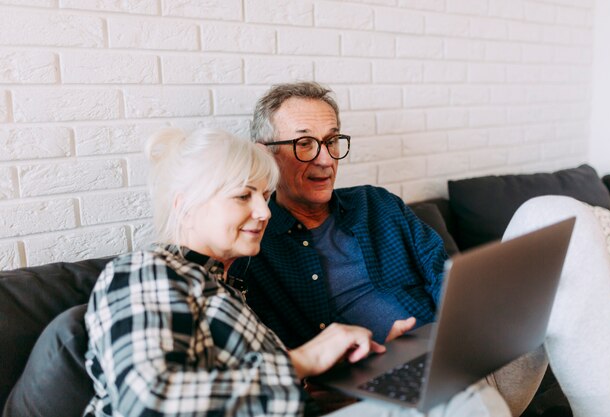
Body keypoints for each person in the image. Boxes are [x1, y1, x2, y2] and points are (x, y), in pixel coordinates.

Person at [228, 81, 610, 417]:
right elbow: (266, 375)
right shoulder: (249, 249)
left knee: (555, 212)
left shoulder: (376, 205)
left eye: (332, 141)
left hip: (465, 359)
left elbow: (446, 277)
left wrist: (445, 334)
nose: (325, 159)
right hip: (382, 399)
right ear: (266, 153)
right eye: (304, 144)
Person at [82, 128, 388, 417]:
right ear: (185, 206)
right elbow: (148, 403)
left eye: (265, 196)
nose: (265, 212)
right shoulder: (146, 272)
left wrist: (343, 377)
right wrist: (304, 360)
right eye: (244, 195)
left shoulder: (223, 286)